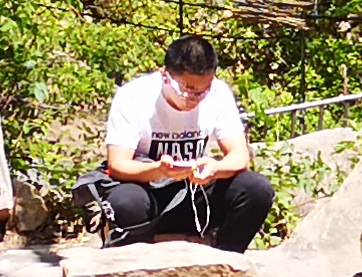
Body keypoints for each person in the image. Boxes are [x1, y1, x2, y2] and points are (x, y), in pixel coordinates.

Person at [94, 34, 275, 252]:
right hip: (147, 194)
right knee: (126, 201)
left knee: (256, 188)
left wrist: (215, 168)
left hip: (193, 193)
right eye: (187, 90)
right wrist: (159, 170)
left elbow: (240, 157)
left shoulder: (219, 93)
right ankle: (138, 266)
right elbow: (118, 165)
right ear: (165, 77)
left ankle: (226, 260)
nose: (195, 98)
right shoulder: (134, 97)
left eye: (203, 91)